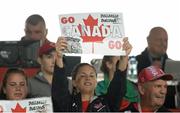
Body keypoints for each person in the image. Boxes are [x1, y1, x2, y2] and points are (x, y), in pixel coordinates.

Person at [51, 37, 132, 112]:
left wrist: (124, 58)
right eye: (82, 75)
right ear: (74, 82)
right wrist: (58, 56)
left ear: (96, 82)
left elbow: (118, 86)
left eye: (92, 75)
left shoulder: (107, 103)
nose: (88, 78)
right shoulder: (66, 103)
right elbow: (59, 87)